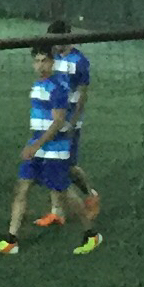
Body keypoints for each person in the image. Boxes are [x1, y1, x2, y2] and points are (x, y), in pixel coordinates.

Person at [0, 41, 102, 258]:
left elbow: (58, 122)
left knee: (65, 192)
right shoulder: (38, 84)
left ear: (52, 62)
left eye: (44, 61)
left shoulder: (58, 87)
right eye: (37, 61)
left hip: (55, 150)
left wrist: (35, 145)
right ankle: (11, 240)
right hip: (38, 147)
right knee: (22, 188)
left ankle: (92, 235)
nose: (40, 66)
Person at [29, 20, 102, 228]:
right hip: (52, 119)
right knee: (54, 163)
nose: (55, 44)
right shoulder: (52, 57)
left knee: (68, 166)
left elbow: (82, 95)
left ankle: (91, 195)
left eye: (58, 40)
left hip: (69, 122)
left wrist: (73, 121)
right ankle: (56, 212)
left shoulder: (80, 61)